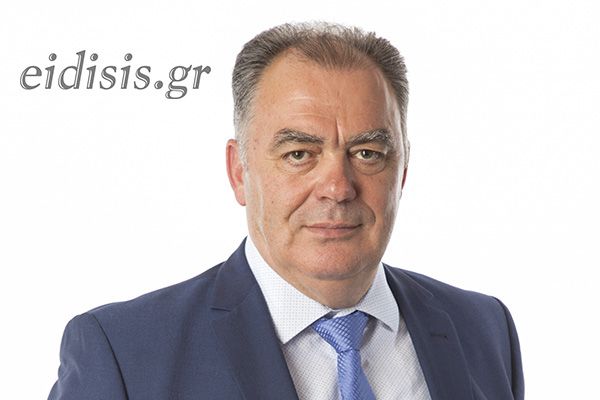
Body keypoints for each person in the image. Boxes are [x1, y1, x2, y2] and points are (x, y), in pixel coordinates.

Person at [48, 22, 524, 400]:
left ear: (401, 172)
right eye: (299, 154)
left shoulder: (484, 330)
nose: (337, 188)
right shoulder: (124, 354)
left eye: (367, 153)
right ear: (239, 171)